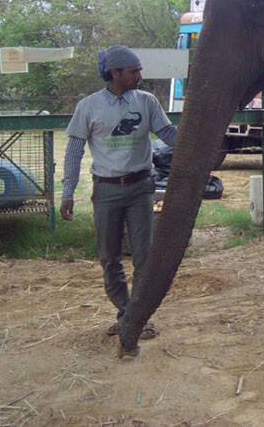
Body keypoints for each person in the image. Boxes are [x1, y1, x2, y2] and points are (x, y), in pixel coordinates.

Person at [59, 46, 177, 340]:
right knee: (109, 257)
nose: (139, 75)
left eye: (139, 70)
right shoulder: (88, 106)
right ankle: (126, 313)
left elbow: (168, 134)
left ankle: (138, 317)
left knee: (144, 258)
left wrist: (198, 142)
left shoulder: (147, 102)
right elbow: (74, 152)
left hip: (140, 188)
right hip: (106, 190)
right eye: (133, 71)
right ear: (115, 73)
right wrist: (68, 192)